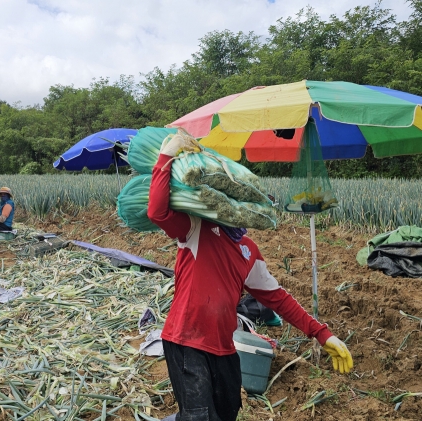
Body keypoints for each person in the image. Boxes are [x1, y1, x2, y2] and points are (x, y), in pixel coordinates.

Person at [147, 135, 353, 421]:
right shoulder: (197, 228)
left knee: (228, 412)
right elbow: (157, 212)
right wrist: (165, 157)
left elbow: (278, 299)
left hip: (224, 348)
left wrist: (322, 333)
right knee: (198, 417)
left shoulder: (249, 251)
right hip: (186, 341)